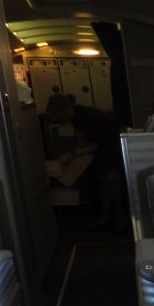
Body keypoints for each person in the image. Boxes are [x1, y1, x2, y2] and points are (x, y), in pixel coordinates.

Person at [45, 92, 127, 230]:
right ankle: (108, 215)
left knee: (112, 179)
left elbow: (99, 143)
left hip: (112, 147)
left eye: (58, 117)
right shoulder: (77, 115)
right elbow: (84, 139)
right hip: (105, 147)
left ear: (63, 111)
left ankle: (120, 215)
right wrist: (78, 152)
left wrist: (73, 155)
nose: (60, 121)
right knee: (103, 181)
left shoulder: (87, 116)